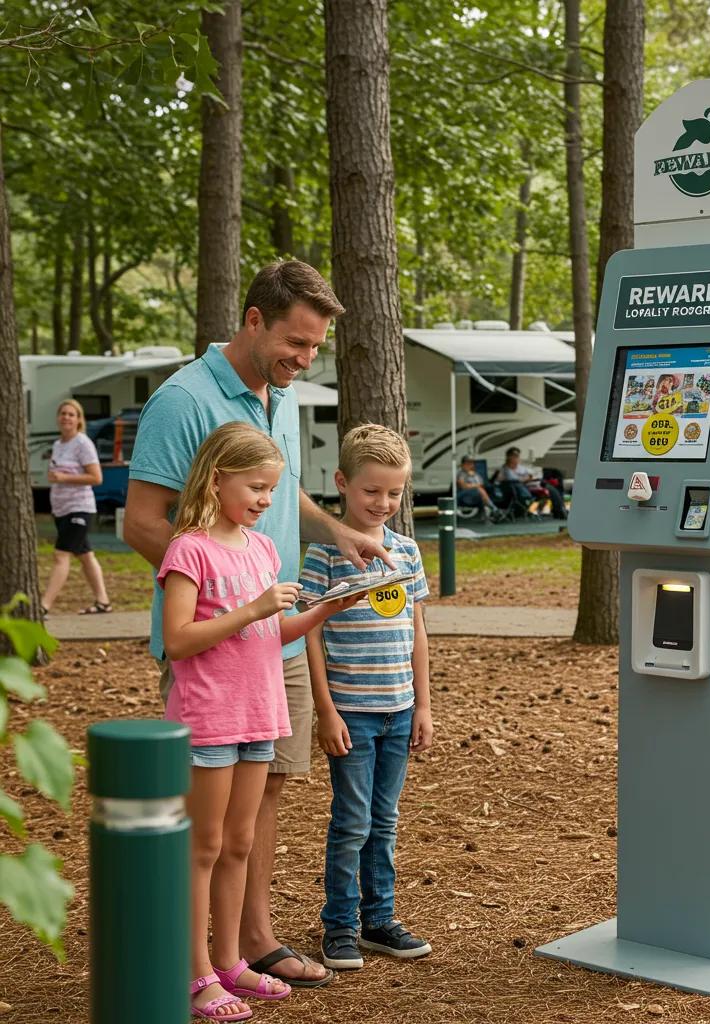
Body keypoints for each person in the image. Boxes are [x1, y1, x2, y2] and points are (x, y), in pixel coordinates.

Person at [124, 260, 391, 988]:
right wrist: (224, 602)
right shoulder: (184, 401)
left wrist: (336, 531)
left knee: (267, 786)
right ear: (252, 319)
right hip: (218, 647)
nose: (304, 360)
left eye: (314, 349)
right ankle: (195, 962)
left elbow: (281, 484)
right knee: (207, 823)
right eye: (295, 343)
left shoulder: (282, 395)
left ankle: (249, 942)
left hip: (276, 631)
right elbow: (143, 522)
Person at [160, 423, 360, 1020]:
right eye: (256, 487)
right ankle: (194, 972)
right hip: (209, 719)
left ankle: (229, 963)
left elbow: (270, 635)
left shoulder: (263, 549)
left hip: (259, 713)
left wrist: (326, 608)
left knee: (240, 843)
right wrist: (253, 607)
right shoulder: (188, 550)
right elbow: (177, 640)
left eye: (272, 490)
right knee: (204, 846)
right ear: (217, 477)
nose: (266, 501)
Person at [299, 424, 433, 970]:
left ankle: (380, 920)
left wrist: (423, 703)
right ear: (342, 484)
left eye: (394, 493)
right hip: (350, 713)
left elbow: (417, 630)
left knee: (385, 820)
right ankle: (340, 926)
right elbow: (308, 632)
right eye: (370, 490)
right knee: (351, 821)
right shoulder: (324, 553)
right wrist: (325, 711)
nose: (383, 503)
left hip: (398, 711)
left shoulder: (406, 551)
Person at [41, 399, 112, 616]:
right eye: (63, 413)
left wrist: (63, 477)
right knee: (86, 555)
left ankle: (43, 606)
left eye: (71, 414)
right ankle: (103, 602)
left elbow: (96, 477)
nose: (66, 417)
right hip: (61, 510)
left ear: (78, 420)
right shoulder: (58, 445)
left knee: (61, 556)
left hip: (79, 508)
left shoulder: (83, 443)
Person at [496, 446, 566, 519]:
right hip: (529, 485)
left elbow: (532, 473)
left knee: (557, 475)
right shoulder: (506, 469)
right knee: (551, 489)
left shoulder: (520, 467)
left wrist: (529, 477)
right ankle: (560, 510)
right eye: (514, 456)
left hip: (535, 478)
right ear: (509, 457)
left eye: (517, 456)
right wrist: (527, 478)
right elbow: (514, 480)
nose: (516, 458)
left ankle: (560, 508)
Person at [455, 454, 497, 519]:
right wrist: (475, 486)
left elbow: (481, 484)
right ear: (463, 464)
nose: (470, 465)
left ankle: (487, 513)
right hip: (463, 495)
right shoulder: (460, 473)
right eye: (468, 463)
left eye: (471, 463)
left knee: (482, 490)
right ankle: (494, 509)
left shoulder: (475, 474)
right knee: (479, 490)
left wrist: (473, 483)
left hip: (475, 493)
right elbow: (463, 486)